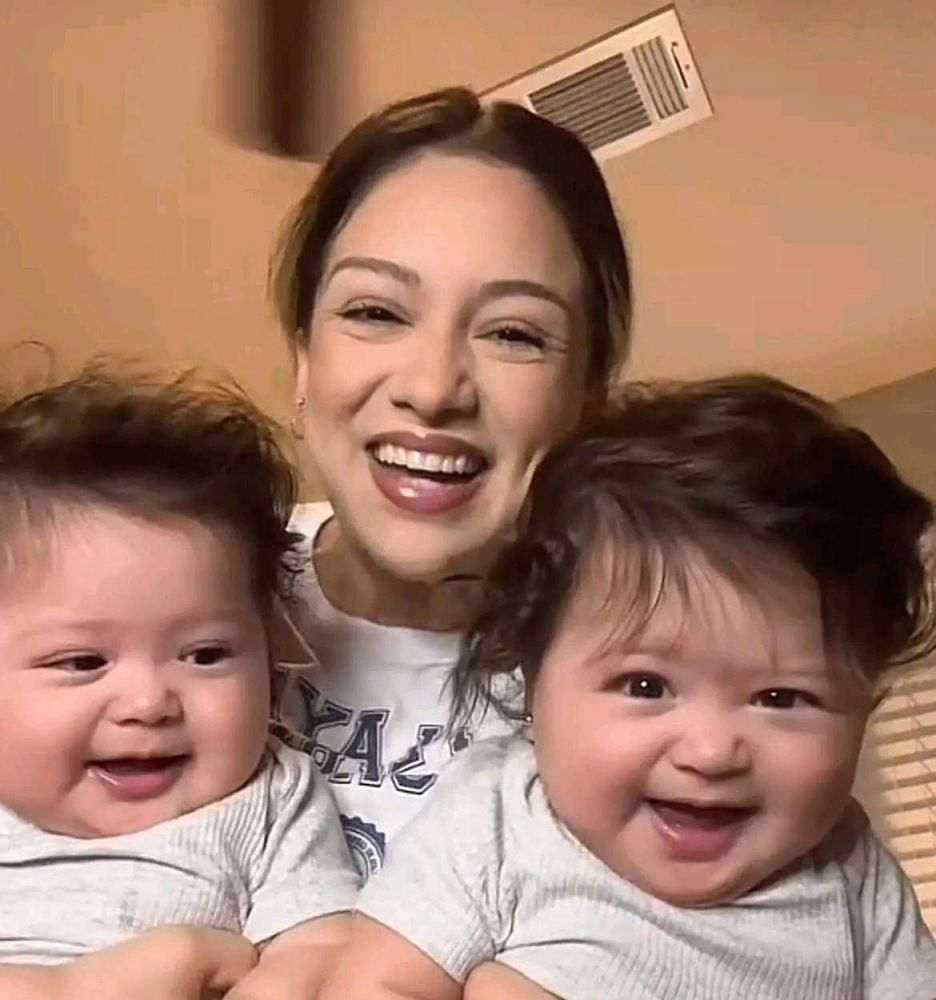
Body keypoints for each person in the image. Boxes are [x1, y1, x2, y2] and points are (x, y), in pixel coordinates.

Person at [323, 375, 936, 999]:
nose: (710, 752)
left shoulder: (852, 873)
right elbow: (378, 984)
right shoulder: (500, 821)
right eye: (646, 685)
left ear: (866, 704)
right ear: (531, 681)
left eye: (781, 699)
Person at [269, 86, 632, 894]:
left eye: (514, 333)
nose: (433, 389)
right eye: (375, 312)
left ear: (589, 402)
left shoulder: (651, 666)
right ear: (304, 362)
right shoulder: (167, 596)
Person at [0, 370, 359, 999]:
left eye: (206, 654)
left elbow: (323, 950)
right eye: (82, 662)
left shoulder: (269, 800)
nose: (148, 704)